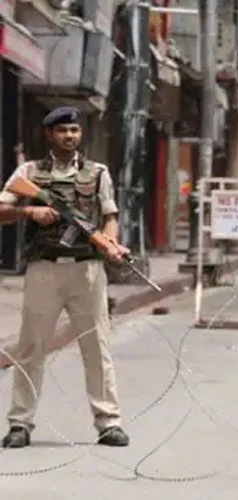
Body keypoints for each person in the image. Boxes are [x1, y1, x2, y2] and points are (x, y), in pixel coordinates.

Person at [0, 106, 131, 448]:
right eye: (62, 131)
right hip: (44, 268)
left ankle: (108, 422)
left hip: (87, 270)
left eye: (74, 130)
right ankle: (20, 423)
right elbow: (2, 210)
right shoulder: (28, 172)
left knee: (97, 347)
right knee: (31, 347)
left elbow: (109, 216)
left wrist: (110, 242)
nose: (70, 136)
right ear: (49, 134)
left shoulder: (97, 172)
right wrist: (29, 210)